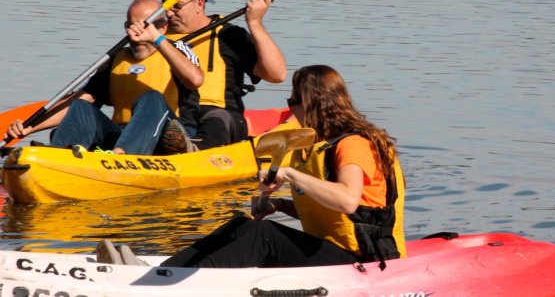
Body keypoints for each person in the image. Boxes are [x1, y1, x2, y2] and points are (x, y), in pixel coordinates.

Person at [99, 65, 406, 268]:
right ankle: (164, 270)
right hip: (337, 250)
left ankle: (176, 282)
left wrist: (288, 173)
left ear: (313, 104)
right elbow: (337, 216)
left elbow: (347, 200)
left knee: (264, 235)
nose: (290, 107)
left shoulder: (354, 144)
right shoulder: (322, 143)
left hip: (367, 259)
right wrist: (282, 204)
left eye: (292, 100)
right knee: (241, 224)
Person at [4, 0, 203, 155]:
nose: (136, 35)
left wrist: (157, 39)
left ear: (162, 27)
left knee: (151, 97)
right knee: (81, 107)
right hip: (121, 136)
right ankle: (61, 156)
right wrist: (30, 126)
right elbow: (79, 100)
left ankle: (122, 156)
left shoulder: (177, 49)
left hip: (165, 135)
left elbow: (195, 80)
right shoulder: (116, 59)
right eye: (130, 26)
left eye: (144, 27)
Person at [160, 0, 286, 149]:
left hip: (219, 117)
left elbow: (277, 75)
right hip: (170, 116)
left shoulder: (229, 35)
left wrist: (255, 23)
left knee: (218, 120)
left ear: (199, 4)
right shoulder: (155, 37)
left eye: (177, 6)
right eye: (164, 6)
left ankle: (195, 154)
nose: (168, 13)